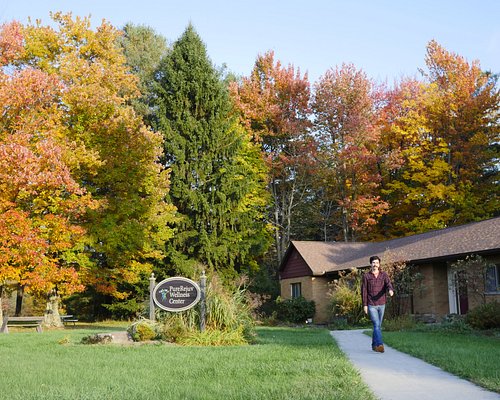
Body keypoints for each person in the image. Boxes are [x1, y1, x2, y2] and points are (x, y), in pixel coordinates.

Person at [361, 255, 394, 353]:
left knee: (378, 326)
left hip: (382, 303)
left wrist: (391, 290)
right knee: (376, 324)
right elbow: (364, 291)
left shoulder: (384, 275)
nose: (375, 264)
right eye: (373, 263)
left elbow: (388, 284)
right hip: (371, 304)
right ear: (370, 264)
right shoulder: (366, 276)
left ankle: (373, 345)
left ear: (379, 264)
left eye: (377, 263)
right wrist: (365, 305)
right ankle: (380, 345)